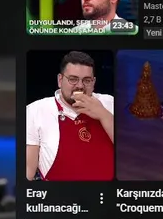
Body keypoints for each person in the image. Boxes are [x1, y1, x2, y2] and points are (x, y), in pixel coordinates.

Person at [25, 51, 115, 182]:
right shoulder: (35, 111)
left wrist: (103, 115)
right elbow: (28, 171)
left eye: (87, 80)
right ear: (60, 80)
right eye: (73, 79)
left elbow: (132, 154)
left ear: (93, 82)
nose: (80, 86)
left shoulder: (110, 103)